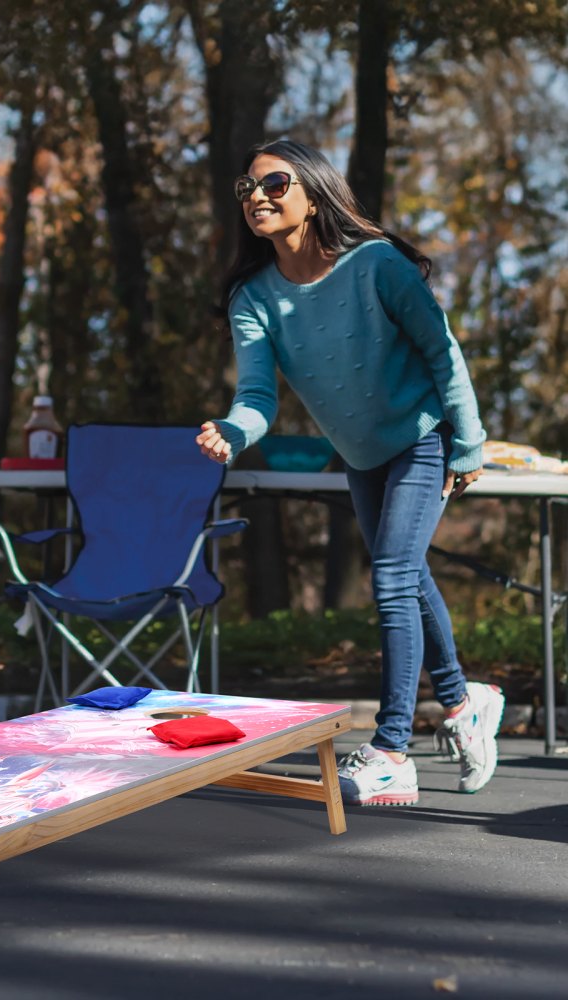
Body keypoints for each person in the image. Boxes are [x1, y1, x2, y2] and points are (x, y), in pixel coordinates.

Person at [197, 139, 504, 806]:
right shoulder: (254, 297)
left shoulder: (377, 264)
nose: (256, 197)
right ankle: (464, 702)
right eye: (246, 188)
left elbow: (442, 350)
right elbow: (257, 397)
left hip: (422, 436)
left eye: (274, 183)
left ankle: (392, 749)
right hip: (362, 454)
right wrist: (233, 432)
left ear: (313, 194)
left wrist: (469, 443)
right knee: (408, 575)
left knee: (391, 575)